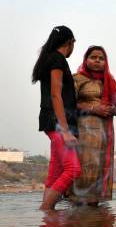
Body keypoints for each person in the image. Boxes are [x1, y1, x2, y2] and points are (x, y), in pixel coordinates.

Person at [32, 26, 81, 210]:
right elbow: (56, 95)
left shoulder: (49, 58)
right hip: (57, 122)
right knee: (73, 169)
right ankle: (45, 209)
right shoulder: (58, 59)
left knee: (55, 172)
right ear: (70, 42)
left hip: (51, 120)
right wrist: (66, 130)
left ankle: (47, 222)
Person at [71, 46, 116, 205]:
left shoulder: (110, 81)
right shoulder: (77, 79)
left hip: (105, 133)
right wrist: (94, 108)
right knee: (84, 166)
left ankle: (94, 217)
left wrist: (113, 109)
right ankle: (78, 210)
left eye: (101, 58)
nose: (97, 61)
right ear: (86, 60)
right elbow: (69, 104)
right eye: (93, 57)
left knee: (100, 169)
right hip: (83, 131)